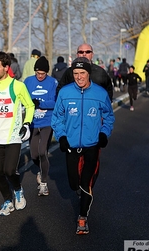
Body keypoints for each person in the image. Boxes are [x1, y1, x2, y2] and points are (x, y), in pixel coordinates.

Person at [51, 57, 115, 235]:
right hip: (71, 145)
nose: (79, 77)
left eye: (82, 73)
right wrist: (62, 137)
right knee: (73, 184)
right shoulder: (65, 93)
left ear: (89, 74)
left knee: (86, 182)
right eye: (76, 73)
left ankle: (82, 218)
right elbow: (57, 118)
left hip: (92, 145)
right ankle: (80, 191)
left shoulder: (100, 93)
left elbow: (109, 117)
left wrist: (104, 133)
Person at [0, 51, 35, 216]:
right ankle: (6, 201)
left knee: (10, 171)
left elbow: (30, 106)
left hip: (12, 137)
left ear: (6, 67)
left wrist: (26, 124)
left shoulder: (17, 86)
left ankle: (18, 190)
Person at [24, 56, 57, 196]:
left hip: (47, 122)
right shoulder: (28, 81)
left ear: (47, 73)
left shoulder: (53, 82)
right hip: (32, 122)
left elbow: (55, 102)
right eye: (38, 73)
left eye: (43, 74)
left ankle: (43, 183)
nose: (40, 76)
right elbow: (22, 98)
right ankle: (41, 170)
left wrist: (40, 103)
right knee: (34, 155)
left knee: (43, 151)